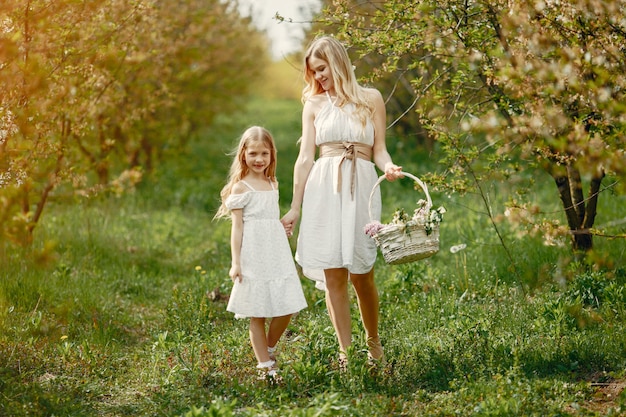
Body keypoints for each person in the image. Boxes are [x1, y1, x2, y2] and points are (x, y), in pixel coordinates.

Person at [280, 36, 403, 368]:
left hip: (361, 186)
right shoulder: (315, 105)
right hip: (325, 187)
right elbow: (305, 158)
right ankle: (346, 354)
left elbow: (379, 149)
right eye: (313, 72)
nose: (318, 77)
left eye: (322, 69)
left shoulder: (371, 98)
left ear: (337, 62)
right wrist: (295, 207)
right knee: (334, 274)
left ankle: (373, 344)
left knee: (362, 272)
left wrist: (388, 166)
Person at [215, 126, 307, 379]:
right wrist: (236, 262)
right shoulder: (241, 188)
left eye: (264, 154)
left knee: (287, 305)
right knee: (258, 312)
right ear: (243, 154)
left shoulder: (272, 182)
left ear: (272, 155)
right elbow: (238, 227)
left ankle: (267, 347)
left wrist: (279, 228)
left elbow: (268, 217)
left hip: (275, 250)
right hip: (253, 252)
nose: (259, 159)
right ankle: (265, 366)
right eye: (253, 153)